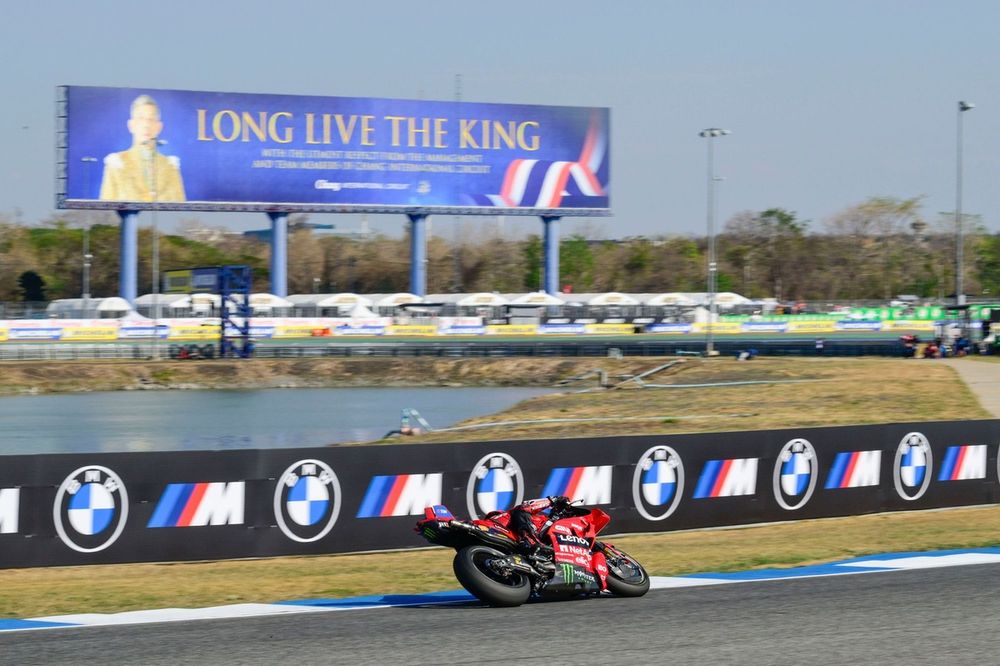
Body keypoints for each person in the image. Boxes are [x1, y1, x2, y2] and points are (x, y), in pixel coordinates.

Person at [99, 94, 186, 202]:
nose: (146, 125)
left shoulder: (170, 166)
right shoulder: (116, 164)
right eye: (141, 119)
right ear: (131, 125)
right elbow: (106, 213)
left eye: (151, 119)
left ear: (159, 127)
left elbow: (181, 211)